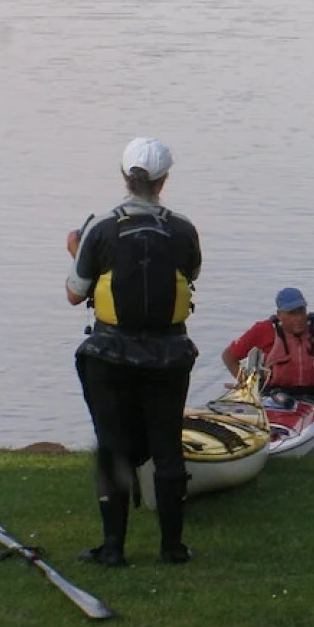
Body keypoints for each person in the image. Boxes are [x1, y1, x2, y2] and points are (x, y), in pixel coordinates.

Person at [67, 137, 202, 566]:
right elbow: (191, 272)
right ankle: (172, 548)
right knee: (167, 446)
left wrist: (76, 252)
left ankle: (112, 549)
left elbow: (75, 294)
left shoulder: (100, 229)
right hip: (169, 357)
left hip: (109, 355)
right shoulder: (182, 229)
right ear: (164, 180)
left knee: (112, 447)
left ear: (125, 176)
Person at [222, 287, 314, 404]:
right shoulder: (264, 329)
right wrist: (247, 385)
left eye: (301, 311)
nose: (298, 318)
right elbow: (229, 356)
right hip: (274, 397)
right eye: (291, 313)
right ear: (279, 315)